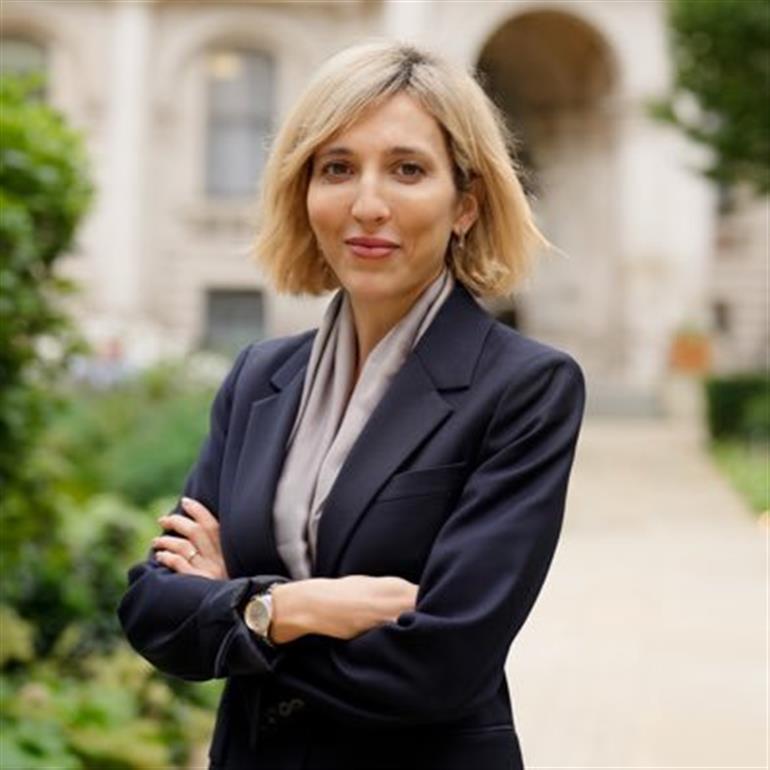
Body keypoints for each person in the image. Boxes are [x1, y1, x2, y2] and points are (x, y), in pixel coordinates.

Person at [118, 39, 586, 770]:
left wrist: (236, 612)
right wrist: (292, 609)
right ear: (303, 192)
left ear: (465, 205)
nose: (368, 206)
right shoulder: (260, 377)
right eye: (337, 168)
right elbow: (153, 611)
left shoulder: (526, 388)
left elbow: (443, 664)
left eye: (408, 170)